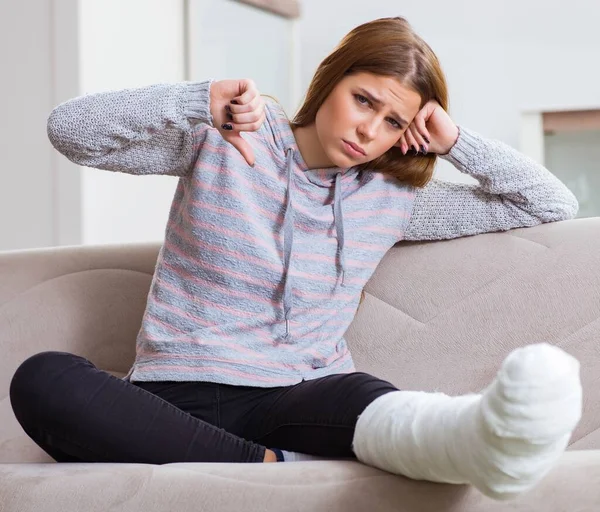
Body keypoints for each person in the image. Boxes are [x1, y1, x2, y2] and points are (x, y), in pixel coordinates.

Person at [9, 16, 582, 501]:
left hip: (298, 397)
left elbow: (550, 202)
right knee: (43, 379)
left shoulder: (393, 201)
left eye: (394, 123)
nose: (369, 131)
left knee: (363, 394)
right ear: (330, 82)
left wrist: (456, 140)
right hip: (171, 392)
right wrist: (195, 98)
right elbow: (71, 131)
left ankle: (482, 441)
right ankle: (269, 470)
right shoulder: (226, 140)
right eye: (364, 101)